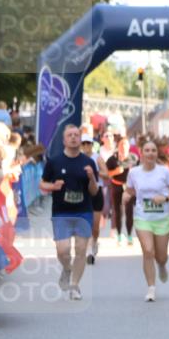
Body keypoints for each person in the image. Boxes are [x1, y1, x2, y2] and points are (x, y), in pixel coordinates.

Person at [39, 124, 100, 300]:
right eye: (70, 135)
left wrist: (91, 178)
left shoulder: (88, 163)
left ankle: (74, 286)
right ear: (64, 140)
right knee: (63, 250)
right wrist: (53, 186)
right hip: (62, 212)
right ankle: (67, 268)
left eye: (76, 135)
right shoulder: (55, 162)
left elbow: (94, 191)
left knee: (81, 250)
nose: (73, 137)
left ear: (80, 139)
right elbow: (42, 184)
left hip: (83, 212)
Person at [122, 139, 169, 302]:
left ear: (157, 154)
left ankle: (161, 265)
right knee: (148, 251)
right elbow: (130, 190)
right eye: (147, 150)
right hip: (142, 217)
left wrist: (165, 198)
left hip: (162, 218)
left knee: (161, 256)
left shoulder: (165, 172)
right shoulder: (134, 172)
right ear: (141, 154)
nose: (150, 153)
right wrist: (126, 195)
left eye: (153, 150)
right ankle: (151, 288)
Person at [106, 135, 136, 246]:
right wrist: (115, 172)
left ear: (129, 146)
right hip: (116, 186)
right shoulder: (112, 159)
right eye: (121, 144)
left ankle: (129, 236)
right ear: (118, 146)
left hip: (129, 188)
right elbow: (106, 174)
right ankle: (119, 235)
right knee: (118, 212)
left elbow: (139, 173)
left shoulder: (133, 158)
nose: (123, 147)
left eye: (126, 144)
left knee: (129, 211)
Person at [80, 134, 105, 265]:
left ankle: (94, 243)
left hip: (97, 192)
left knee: (95, 226)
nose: (86, 146)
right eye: (83, 144)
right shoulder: (77, 158)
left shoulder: (97, 158)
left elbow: (107, 175)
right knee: (86, 223)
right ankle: (89, 250)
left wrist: (95, 172)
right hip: (84, 193)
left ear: (92, 145)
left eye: (88, 144)